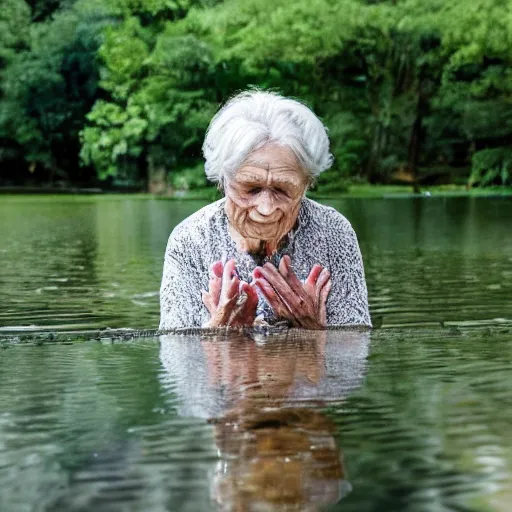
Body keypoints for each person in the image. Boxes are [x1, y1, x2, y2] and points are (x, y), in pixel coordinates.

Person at [159, 90, 371, 329]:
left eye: (282, 190)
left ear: (306, 184)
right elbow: (174, 353)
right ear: (222, 181)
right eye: (251, 188)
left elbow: (355, 347)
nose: (266, 208)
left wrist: (314, 331)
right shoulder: (190, 240)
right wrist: (217, 336)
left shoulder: (334, 232)